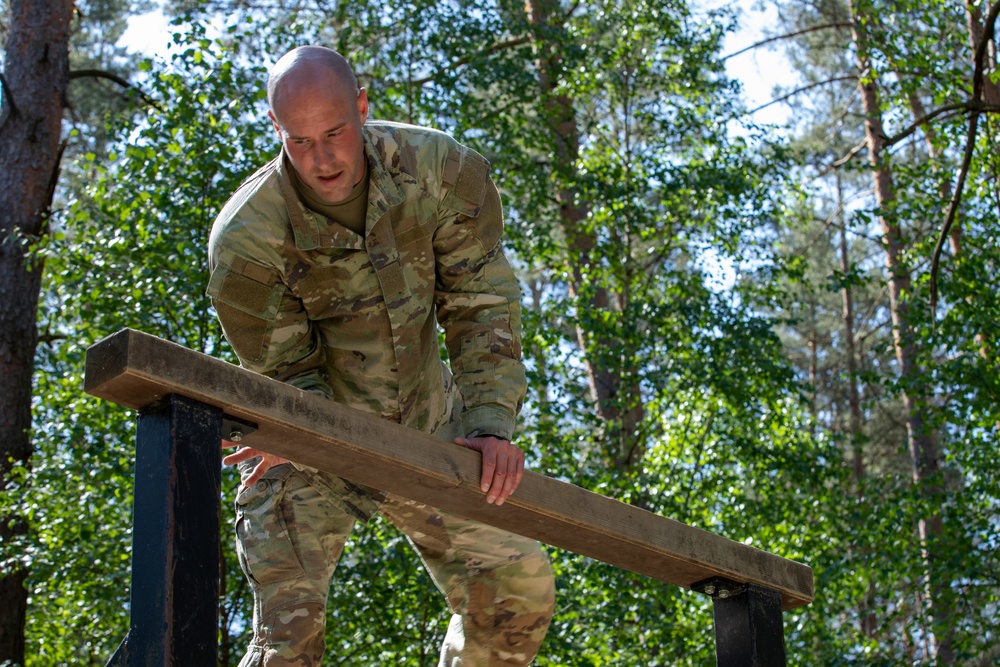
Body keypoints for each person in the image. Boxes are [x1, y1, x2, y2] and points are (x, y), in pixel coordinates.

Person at [206, 45, 556, 667]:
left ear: (362, 106)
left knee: (515, 598)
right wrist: (307, 431)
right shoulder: (247, 240)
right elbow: (287, 372)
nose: (322, 158)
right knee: (289, 642)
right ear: (276, 130)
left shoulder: (441, 172)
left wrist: (489, 425)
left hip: (431, 429)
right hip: (305, 439)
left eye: (336, 132)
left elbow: (481, 304)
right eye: (301, 140)